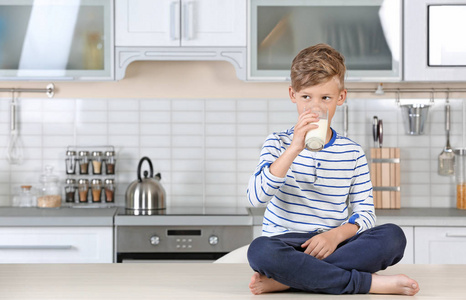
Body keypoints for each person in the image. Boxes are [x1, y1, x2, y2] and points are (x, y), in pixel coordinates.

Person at [246, 43, 419, 296]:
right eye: (306, 97)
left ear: (341, 97)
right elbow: (255, 198)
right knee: (259, 251)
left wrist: (335, 236)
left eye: (325, 98)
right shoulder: (277, 143)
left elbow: (366, 214)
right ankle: (368, 284)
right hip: (285, 244)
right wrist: (294, 148)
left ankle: (287, 280)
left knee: (393, 237)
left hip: (336, 243)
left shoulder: (352, 152)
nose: (315, 107)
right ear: (293, 95)